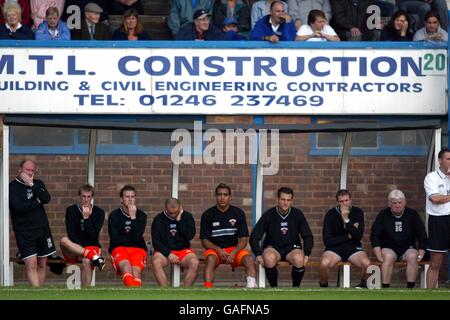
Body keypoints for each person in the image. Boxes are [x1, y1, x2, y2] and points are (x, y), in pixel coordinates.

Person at [250, 187, 313, 287]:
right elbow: (254, 236)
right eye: (283, 199)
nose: (285, 203)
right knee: (268, 258)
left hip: (292, 248)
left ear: (292, 201)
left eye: (288, 200)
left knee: (299, 259)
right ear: (278, 200)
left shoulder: (297, 214)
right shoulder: (269, 215)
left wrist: (307, 254)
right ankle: (274, 288)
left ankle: (295, 288)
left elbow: (308, 236)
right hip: (273, 247)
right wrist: (258, 254)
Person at [200, 183, 257, 288]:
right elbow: (204, 241)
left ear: (230, 197)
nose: (222, 197)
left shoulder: (238, 213)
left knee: (249, 259)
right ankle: (207, 289)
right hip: (215, 250)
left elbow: (244, 239)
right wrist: (219, 250)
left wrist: (234, 252)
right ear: (216, 196)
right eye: (219, 194)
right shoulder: (208, 214)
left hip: (233, 249)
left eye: (225, 195)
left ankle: (252, 287)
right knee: (210, 259)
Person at [9, 160, 56, 287]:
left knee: (42, 263)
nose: (30, 173)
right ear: (20, 170)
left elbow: (46, 198)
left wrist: (31, 184)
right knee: (31, 264)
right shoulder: (12, 187)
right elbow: (20, 208)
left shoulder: (38, 183)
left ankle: (38, 293)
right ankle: (37, 294)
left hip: (42, 229)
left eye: (32, 170)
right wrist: (37, 201)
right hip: (24, 232)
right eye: (27, 170)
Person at [370, 189, 427, 288]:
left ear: (404, 202)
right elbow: (375, 235)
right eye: (394, 203)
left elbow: (422, 234)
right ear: (389, 204)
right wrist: (378, 254)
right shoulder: (383, 215)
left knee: (413, 255)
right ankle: (385, 288)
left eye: (400, 202)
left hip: (407, 248)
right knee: (387, 257)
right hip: (389, 247)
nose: (397, 205)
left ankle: (410, 288)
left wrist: (421, 252)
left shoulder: (412, 214)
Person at [319, 189, 371, 288]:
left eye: (346, 200)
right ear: (337, 202)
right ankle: (323, 286)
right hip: (335, 249)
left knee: (367, 263)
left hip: (353, 248)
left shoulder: (358, 212)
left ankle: (362, 285)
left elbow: (358, 236)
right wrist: (347, 236)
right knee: (324, 263)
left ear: (351, 200)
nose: (344, 203)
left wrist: (346, 219)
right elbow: (327, 241)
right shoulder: (330, 214)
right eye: (341, 201)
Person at [60, 184, 106, 287]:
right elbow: (71, 234)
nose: (86, 199)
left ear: (92, 197)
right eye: (83, 196)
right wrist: (81, 251)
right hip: (75, 248)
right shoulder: (71, 210)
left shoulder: (99, 212)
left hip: (91, 246)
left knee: (86, 260)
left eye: (88, 196)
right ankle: (94, 257)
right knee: (63, 240)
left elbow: (93, 237)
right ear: (79, 197)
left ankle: (86, 293)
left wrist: (86, 219)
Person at [151, 198, 199, 287]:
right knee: (156, 261)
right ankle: (165, 293)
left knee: (194, 262)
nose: (173, 215)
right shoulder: (158, 219)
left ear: (180, 208)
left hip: (182, 251)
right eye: (170, 213)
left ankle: (185, 293)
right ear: (165, 208)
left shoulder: (187, 216)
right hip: (165, 252)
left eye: (175, 212)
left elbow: (190, 236)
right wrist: (168, 254)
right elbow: (156, 242)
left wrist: (179, 220)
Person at [108, 185, 148, 287]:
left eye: (132, 197)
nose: (130, 199)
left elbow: (137, 237)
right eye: (127, 197)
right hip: (119, 249)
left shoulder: (141, 215)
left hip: (138, 249)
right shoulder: (114, 215)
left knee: (136, 272)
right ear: (121, 199)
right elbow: (115, 238)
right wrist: (128, 238)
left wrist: (133, 217)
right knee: (126, 267)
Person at [424, 148, 450, 288]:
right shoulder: (431, 177)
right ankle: (430, 293)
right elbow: (435, 198)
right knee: (436, 260)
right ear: (440, 161)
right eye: (449, 159)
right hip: (439, 220)